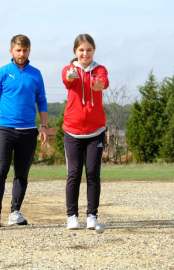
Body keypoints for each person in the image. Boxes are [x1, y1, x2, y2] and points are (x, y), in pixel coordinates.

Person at [0, 34, 48, 227]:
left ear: (29, 51)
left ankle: (15, 212)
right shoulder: (2, 72)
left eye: (25, 50)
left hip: (28, 130)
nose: (21, 53)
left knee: (21, 174)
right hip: (5, 129)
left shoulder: (36, 74)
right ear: (11, 51)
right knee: (0, 171)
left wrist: (43, 126)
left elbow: (42, 100)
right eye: (18, 50)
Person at [61, 34, 109, 230]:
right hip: (72, 131)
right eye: (81, 50)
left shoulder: (100, 69)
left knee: (92, 173)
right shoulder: (69, 69)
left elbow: (102, 82)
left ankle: (92, 215)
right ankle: (72, 216)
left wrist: (98, 84)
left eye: (89, 50)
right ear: (75, 52)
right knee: (74, 173)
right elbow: (68, 79)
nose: (85, 53)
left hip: (95, 131)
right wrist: (71, 76)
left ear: (94, 51)